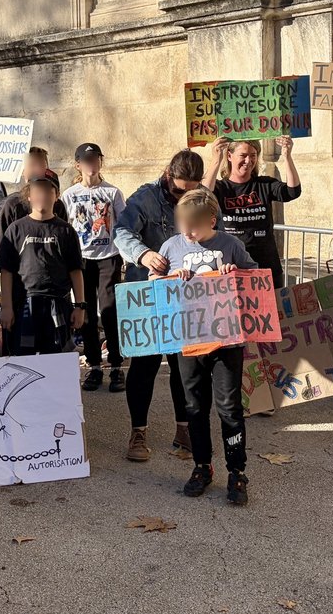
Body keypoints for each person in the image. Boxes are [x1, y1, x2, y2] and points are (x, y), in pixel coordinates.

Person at [153, 189, 258, 505]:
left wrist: (236, 274)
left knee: (229, 406)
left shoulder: (231, 245)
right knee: (195, 406)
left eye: (194, 225)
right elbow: (153, 283)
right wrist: (171, 277)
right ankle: (202, 465)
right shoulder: (172, 246)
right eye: (182, 224)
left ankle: (237, 470)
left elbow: (255, 278)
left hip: (226, 340)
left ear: (212, 220)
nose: (187, 231)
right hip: (189, 341)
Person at [113, 149, 206, 461]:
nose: (184, 197)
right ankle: (138, 431)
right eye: (179, 191)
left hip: (186, 296)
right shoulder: (145, 198)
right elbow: (121, 232)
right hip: (149, 294)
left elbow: (214, 233)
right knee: (144, 366)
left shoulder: (202, 198)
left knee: (185, 367)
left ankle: (184, 429)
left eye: (191, 190)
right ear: (168, 176)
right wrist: (143, 254)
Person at [0, 170, 85, 355]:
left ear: (57, 195)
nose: (42, 196)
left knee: (57, 358)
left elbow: (76, 271)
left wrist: (80, 306)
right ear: (28, 196)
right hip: (25, 305)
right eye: (37, 191)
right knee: (23, 359)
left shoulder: (66, 231)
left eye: (47, 191)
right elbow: (6, 272)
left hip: (58, 304)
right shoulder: (15, 229)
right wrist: (6, 307)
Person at [62, 142, 127, 391]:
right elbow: (65, 227)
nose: (92, 164)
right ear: (78, 165)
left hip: (108, 257)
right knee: (86, 313)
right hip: (81, 261)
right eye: (87, 160)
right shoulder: (69, 195)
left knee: (110, 311)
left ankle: (117, 365)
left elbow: (123, 224)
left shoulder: (112, 192)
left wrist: (126, 253)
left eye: (95, 159)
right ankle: (94, 365)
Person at [202, 135, 301, 288]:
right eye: (243, 155)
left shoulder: (264, 184)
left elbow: (292, 191)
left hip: (266, 266)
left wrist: (287, 156)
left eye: (253, 156)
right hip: (231, 267)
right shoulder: (221, 188)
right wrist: (216, 159)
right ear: (230, 156)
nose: (248, 161)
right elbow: (203, 196)